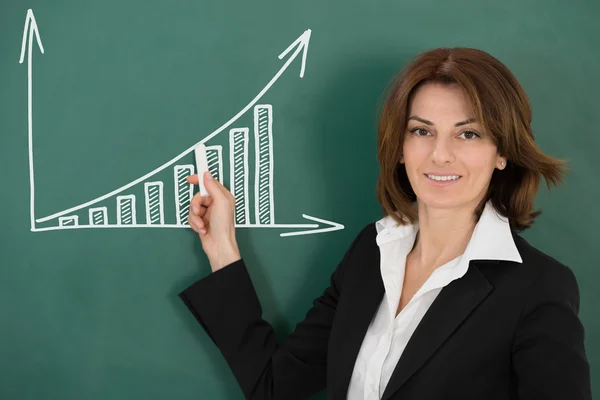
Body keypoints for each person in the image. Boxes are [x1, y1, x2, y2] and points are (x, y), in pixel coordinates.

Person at [178, 47, 592, 400]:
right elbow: (274, 385)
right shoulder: (370, 252)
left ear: (502, 153)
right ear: (400, 148)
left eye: (468, 135)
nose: (440, 155)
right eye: (421, 131)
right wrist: (222, 249)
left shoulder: (538, 287)